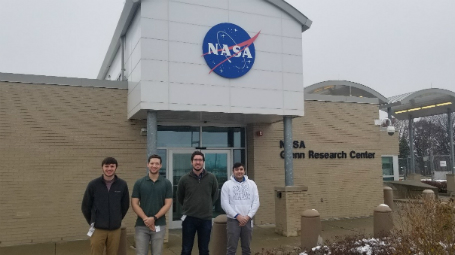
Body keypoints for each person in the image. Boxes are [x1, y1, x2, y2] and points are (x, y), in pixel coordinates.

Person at [81, 157, 130, 255]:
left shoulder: (122, 185)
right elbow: (85, 206)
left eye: (112, 166)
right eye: (106, 166)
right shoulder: (93, 185)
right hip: (98, 229)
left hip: (115, 230)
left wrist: (117, 219)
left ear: (116, 168)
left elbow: (125, 205)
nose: (109, 169)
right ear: (102, 168)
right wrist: (93, 221)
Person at [177, 151, 219, 255]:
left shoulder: (211, 178)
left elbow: (215, 195)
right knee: (186, 249)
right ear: (191, 162)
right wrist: (189, 206)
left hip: (205, 219)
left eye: (200, 160)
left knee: (204, 249)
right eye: (195, 160)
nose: (198, 162)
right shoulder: (184, 179)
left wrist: (207, 205)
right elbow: (180, 197)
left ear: (203, 162)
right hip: (189, 218)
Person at [131, 154, 173, 255]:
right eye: (152, 163)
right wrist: (146, 219)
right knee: (141, 253)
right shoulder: (139, 183)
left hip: (159, 225)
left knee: (157, 253)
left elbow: (168, 204)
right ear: (148, 165)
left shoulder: (166, 183)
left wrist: (153, 218)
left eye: (157, 164)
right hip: (141, 225)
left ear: (160, 165)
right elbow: (134, 203)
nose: (154, 165)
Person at [221, 162, 260, 255]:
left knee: (246, 249)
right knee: (231, 249)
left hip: (247, 220)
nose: (239, 171)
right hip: (233, 220)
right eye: (237, 169)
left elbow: (256, 202)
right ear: (233, 171)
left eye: (241, 169)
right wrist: (237, 216)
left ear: (244, 171)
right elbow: (224, 203)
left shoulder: (252, 184)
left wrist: (248, 216)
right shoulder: (227, 185)